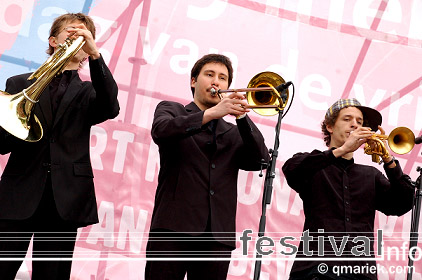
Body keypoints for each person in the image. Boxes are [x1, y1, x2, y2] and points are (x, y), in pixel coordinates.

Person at [0, 13, 119, 280]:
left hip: (64, 199)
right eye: (71, 32)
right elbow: (2, 144)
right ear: (53, 40)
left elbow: (111, 107)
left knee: (52, 274)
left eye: (84, 34)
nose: (77, 36)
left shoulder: (90, 92)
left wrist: (96, 54)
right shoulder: (19, 84)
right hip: (18, 193)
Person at [145, 54, 269, 280]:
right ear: (193, 81)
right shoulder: (172, 109)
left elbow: (259, 160)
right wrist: (211, 113)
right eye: (209, 75)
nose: (216, 82)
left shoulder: (233, 132)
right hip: (173, 229)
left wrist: (242, 118)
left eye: (223, 78)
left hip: (216, 237)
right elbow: (161, 131)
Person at [282, 98, 414, 280]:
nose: (354, 125)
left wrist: (388, 160)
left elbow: (402, 204)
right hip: (317, 269)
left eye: (359, 122)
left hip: (361, 272)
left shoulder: (371, 175)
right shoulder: (313, 164)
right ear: (329, 126)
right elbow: (292, 170)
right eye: (347, 119)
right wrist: (342, 149)